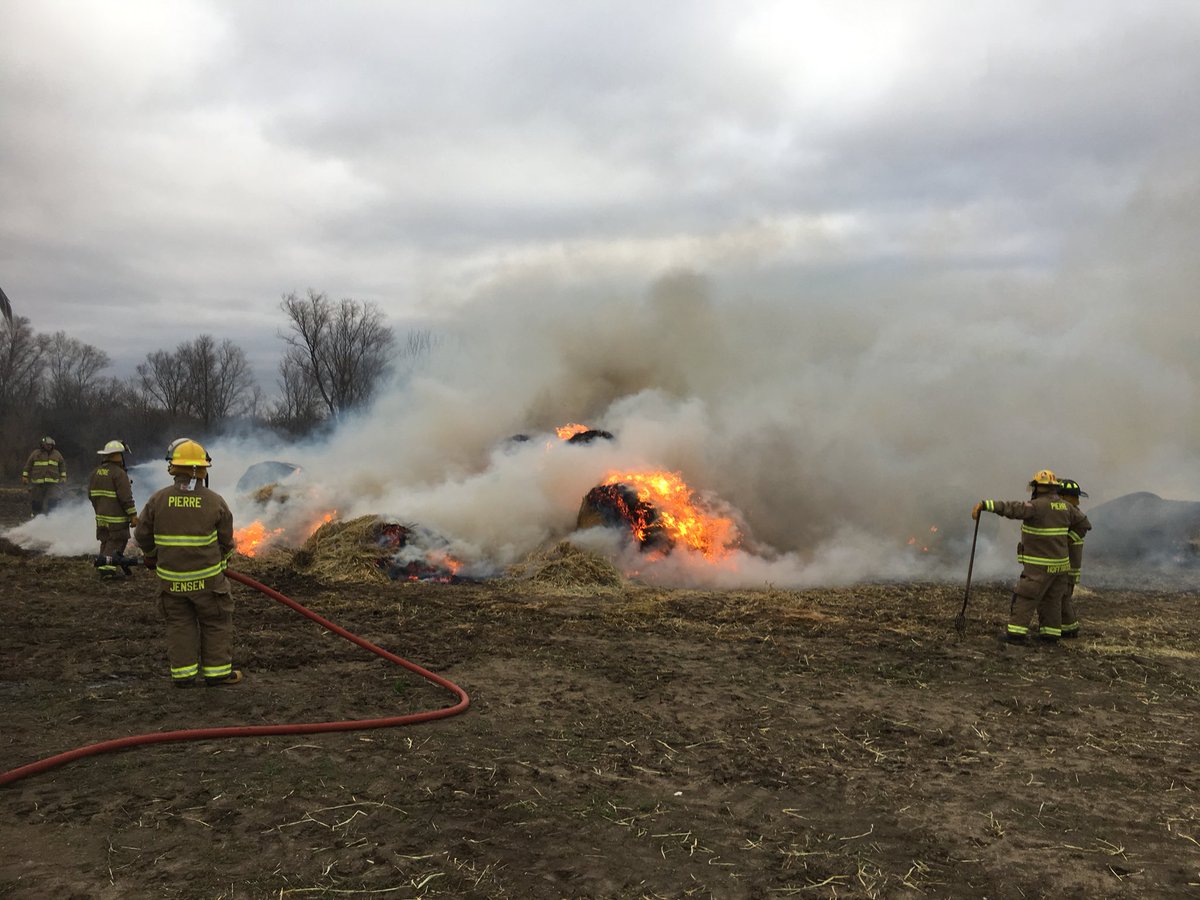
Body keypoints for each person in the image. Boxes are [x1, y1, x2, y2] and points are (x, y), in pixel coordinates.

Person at [134, 439, 240, 688]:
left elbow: (141, 536)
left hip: (172, 582)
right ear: (203, 469)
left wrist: (151, 555)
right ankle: (217, 674)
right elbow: (226, 541)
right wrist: (222, 562)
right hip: (208, 582)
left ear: (173, 468)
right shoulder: (215, 501)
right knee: (215, 622)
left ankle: (183, 676)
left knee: (180, 625)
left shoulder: (158, 500)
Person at [972, 470, 1091, 644]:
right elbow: (1084, 524)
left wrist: (985, 505)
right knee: (1052, 600)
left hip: (1039, 567)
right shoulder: (1066, 507)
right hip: (1060, 567)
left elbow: (1011, 508)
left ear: (1037, 487)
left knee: (1025, 597)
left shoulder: (1036, 506)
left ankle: (1016, 634)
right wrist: (1068, 540)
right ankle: (1050, 635)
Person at [88, 440, 139, 578]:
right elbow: (126, 498)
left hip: (101, 517)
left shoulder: (95, 472)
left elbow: (90, 495)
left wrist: (99, 509)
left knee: (106, 541)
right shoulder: (119, 473)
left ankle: (102, 563)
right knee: (117, 541)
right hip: (116, 518)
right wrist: (133, 515)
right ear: (117, 456)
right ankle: (107, 569)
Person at [1056, 478, 1089, 638]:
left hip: (1068, 565)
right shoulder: (1068, 512)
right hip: (1068, 564)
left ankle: (1069, 629)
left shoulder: (1073, 514)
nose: (1077, 501)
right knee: (1062, 596)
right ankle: (1066, 627)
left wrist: (1064, 540)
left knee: (1063, 597)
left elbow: (1077, 532)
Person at [21, 436, 67, 516]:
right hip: (37, 483)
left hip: (53, 483)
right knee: (37, 502)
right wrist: (25, 476)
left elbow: (62, 466)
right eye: (47, 445)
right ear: (42, 445)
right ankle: (36, 517)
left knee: (53, 501)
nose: (49, 446)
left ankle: (51, 518)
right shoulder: (35, 453)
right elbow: (28, 465)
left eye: (50, 445)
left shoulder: (57, 454)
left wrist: (63, 476)